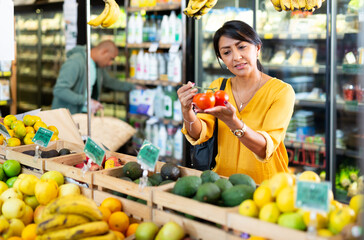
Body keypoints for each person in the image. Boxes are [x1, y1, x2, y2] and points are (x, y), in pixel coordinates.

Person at [177, 20, 295, 184]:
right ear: (221, 59)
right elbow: (199, 134)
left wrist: (233, 122)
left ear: (257, 48)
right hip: (222, 183)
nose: (236, 57)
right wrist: (186, 111)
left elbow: (264, 148)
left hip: (266, 186)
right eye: (227, 52)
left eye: (242, 47)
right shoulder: (218, 88)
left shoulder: (281, 92)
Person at [52, 40, 135, 114]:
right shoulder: (76, 61)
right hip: (67, 117)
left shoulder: (97, 66)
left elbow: (109, 82)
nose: (110, 63)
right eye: (111, 59)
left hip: (84, 115)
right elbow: (60, 90)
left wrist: (134, 87)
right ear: (104, 52)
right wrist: (86, 101)